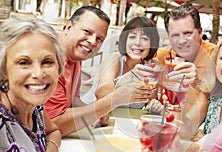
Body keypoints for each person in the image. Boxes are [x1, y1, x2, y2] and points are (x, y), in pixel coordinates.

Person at [0, 18, 127, 152]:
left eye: (47, 62)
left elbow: (54, 131)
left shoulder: (33, 106)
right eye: (23, 62)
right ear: (4, 69)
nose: (38, 73)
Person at [44, 6, 153, 136]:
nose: (92, 41)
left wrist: (95, 114)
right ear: (68, 28)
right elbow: (52, 124)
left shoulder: (75, 57)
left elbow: (74, 100)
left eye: (99, 38)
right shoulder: (50, 60)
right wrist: (114, 99)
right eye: (86, 31)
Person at [81, 16, 160, 127]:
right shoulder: (115, 59)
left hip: (124, 123)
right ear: (125, 40)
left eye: (144, 38)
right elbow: (100, 93)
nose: (137, 43)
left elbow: (150, 98)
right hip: (89, 120)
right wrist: (128, 77)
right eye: (132, 37)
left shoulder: (153, 65)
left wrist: (154, 104)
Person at [148, 5, 216, 129]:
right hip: (167, 126)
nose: (181, 41)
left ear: (200, 32)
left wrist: (200, 81)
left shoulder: (217, 57)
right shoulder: (161, 57)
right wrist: (153, 101)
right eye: (175, 35)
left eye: (187, 33)